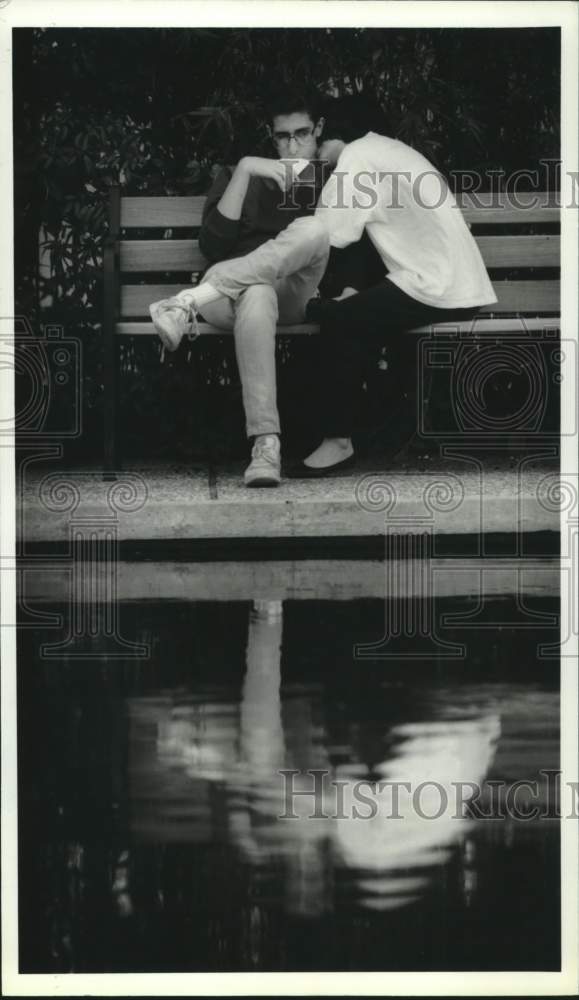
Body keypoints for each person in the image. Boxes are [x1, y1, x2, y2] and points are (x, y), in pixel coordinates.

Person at [287, 97, 498, 476]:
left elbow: (325, 235)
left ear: (328, 131)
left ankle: (338, 442)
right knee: (347, 315)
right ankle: (365, 428)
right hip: (452, 283)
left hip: (435, 286)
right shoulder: (390, 150)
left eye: (314, 135)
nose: (313, 150)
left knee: (339, 321)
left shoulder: (357, 157)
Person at [149, 92, 331, 487]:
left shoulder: (331, 177)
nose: (292, 146)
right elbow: (213, 246)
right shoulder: (239, 173)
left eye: (301, 134)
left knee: (316, 229)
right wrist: (247, 169)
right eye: (282, 136)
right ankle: (266, 445)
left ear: (318, 130)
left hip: (288, 292)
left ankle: (185, 302)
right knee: (257, 293)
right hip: (228, 298)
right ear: (271, 136)